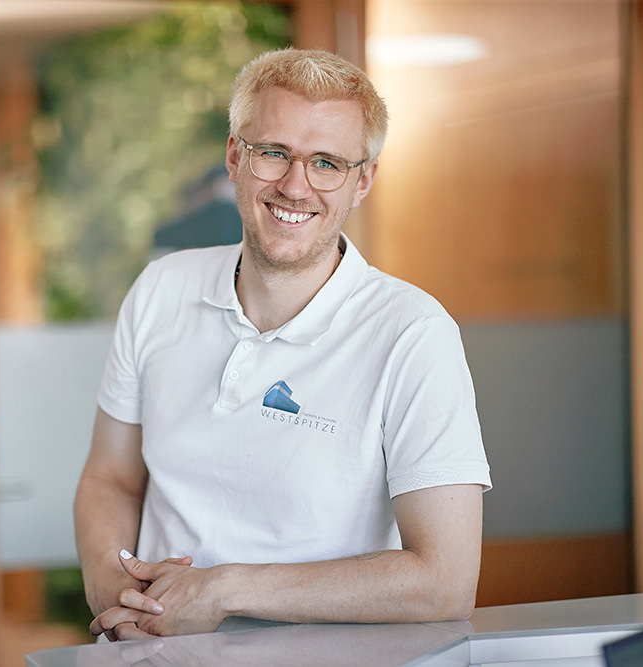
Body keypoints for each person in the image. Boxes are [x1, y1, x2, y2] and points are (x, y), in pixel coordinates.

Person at [74, 47, 492, 642]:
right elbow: (109, 479)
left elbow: (444, 581)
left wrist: (224, 589)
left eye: (327, 163)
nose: (296, 186)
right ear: (234, 157)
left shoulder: (412, 334)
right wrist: (120, 599)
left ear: (362, 180)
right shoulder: (160, 291)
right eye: (273, 153)